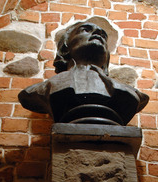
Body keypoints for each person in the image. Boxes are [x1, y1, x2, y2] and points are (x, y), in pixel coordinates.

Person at [18, 22, 149, 126]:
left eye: (103, 35)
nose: (97, 33)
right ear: (66, 47)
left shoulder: (131, 94)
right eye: (86, 30)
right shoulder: (41, 90)